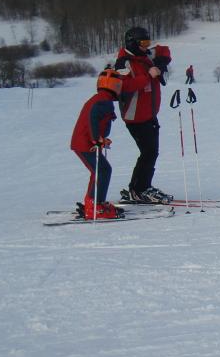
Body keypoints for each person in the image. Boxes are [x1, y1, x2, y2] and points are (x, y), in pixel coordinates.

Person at [115, 26, 173, 204]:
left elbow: (164, 50)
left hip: (149, 113)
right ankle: (140, 189)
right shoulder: (123, 63)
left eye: (148, 42)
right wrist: (148, 75)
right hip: (135, 116)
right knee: (149, 152)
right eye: (143, 43)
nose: (147, 46)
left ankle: (138, 187)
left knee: (150, 152)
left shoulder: (145, 55)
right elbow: (123, 87)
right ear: (133, 43)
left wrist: (160, 64)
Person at [70, 69, 125, 219]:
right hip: (85, 143)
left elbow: (94, 120)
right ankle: (94, 206)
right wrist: (96, 139)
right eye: (119, 85)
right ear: (114, 86)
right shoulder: (104, 101)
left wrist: (100, 138)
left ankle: (95, 203)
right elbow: (93, 118)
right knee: (102, 171)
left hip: (84, 141)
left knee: (101, 170)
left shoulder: (100, 98)